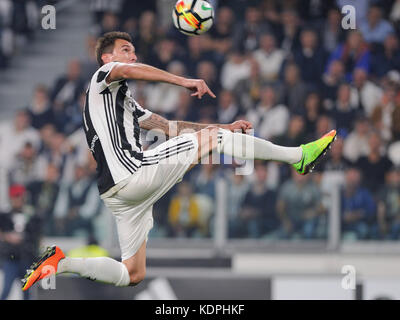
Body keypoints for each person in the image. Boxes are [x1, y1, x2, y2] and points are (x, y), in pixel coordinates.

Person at [22, 31, 336, 291]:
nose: (132, 56)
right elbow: (129, 71)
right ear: (107, 58)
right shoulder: (102, 76)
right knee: (213, 142)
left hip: (117, 195)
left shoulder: (123, 102)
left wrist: (222, 127)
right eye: (125, 50)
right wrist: (184, 81)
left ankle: (59, 263)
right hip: (133, 175)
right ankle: (298, 156)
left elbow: (169, 128)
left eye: (134, 51)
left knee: (132, 273)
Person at [0, 185, 41, 299]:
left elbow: (37, 234)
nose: (18, 200)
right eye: (15, 197)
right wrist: (7, 237)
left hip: (26, 258)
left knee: (27, 293)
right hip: (10, 258)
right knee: (6, 290)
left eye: (20, 197)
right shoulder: (4, 215)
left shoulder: (32, 215)